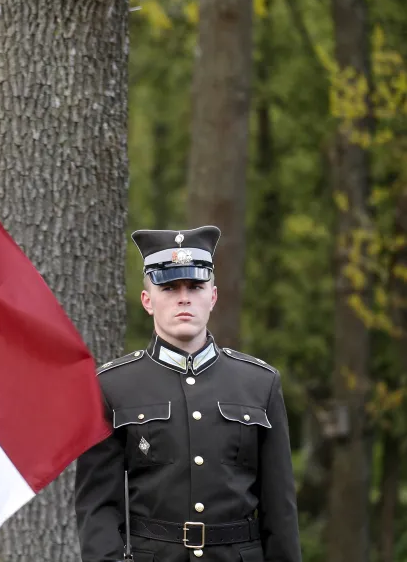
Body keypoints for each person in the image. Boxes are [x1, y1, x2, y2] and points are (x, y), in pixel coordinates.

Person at [74, 225, 301, 562]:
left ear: (213, 296)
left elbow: (280, 511)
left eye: (195, 286)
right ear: (147, 301)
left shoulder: (259, 383)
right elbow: (98, 509)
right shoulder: (112, 387)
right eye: (169, 287)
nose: (184, 297)